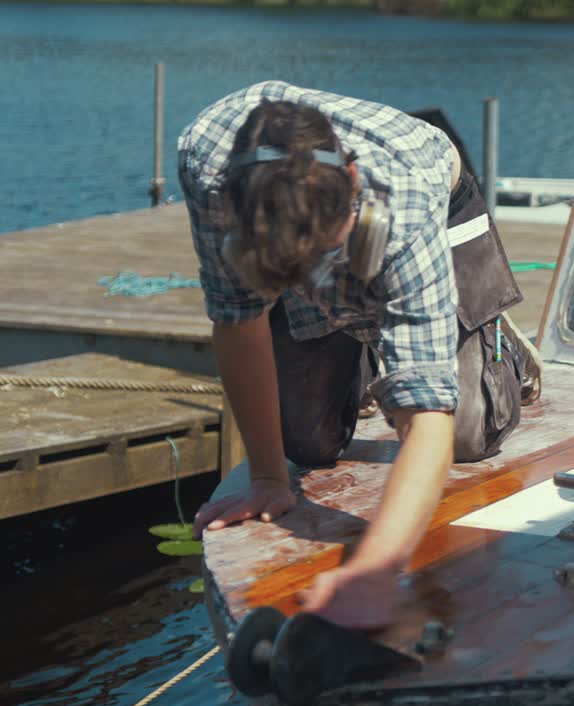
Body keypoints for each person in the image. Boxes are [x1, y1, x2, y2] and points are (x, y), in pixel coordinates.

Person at [178, 81, 490, 629]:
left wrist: (374, 570)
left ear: (350, 182)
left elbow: (427, 421)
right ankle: (364, 339)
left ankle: (484, 334)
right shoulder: (208, 174)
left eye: (321, 255)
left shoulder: (406, 201)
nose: (314, 282)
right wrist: (270, 479)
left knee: (469, 435)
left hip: (431, 189)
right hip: (302, 227)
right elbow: (237, 319)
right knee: (306, 446)